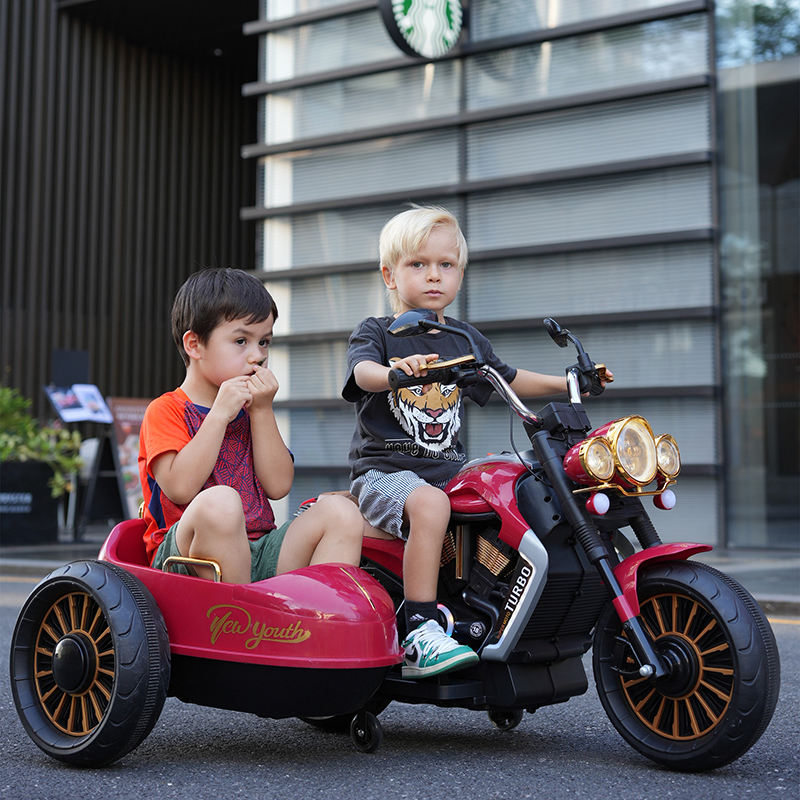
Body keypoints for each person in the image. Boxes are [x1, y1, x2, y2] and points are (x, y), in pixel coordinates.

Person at [343, 206, 611, 679]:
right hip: (386, 474)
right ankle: (420, 630)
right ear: (389, 274)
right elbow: (362, 374)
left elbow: (507, 377)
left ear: (460, 275)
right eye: (418, 264)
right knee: (429, 504)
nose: (433, 275)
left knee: (516, 478)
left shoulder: (464, 338)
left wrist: (570, 382)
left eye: (445, 265)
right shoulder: (378, 332)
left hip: (448, 473)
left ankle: (496, 612)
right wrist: (392, 373)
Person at [139, 267, 364, 583]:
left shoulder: (253, 411)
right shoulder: (166, 410)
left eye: (264, 342)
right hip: (184, 560)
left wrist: (262, 411)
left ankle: (316, 612)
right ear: (195, 345)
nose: (257, 355)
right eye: (241, 340)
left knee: (342, 513)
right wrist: (219, 415)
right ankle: (240, 611)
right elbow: (180, 488)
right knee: (221, 502)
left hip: (260, 547)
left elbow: (278, 486)